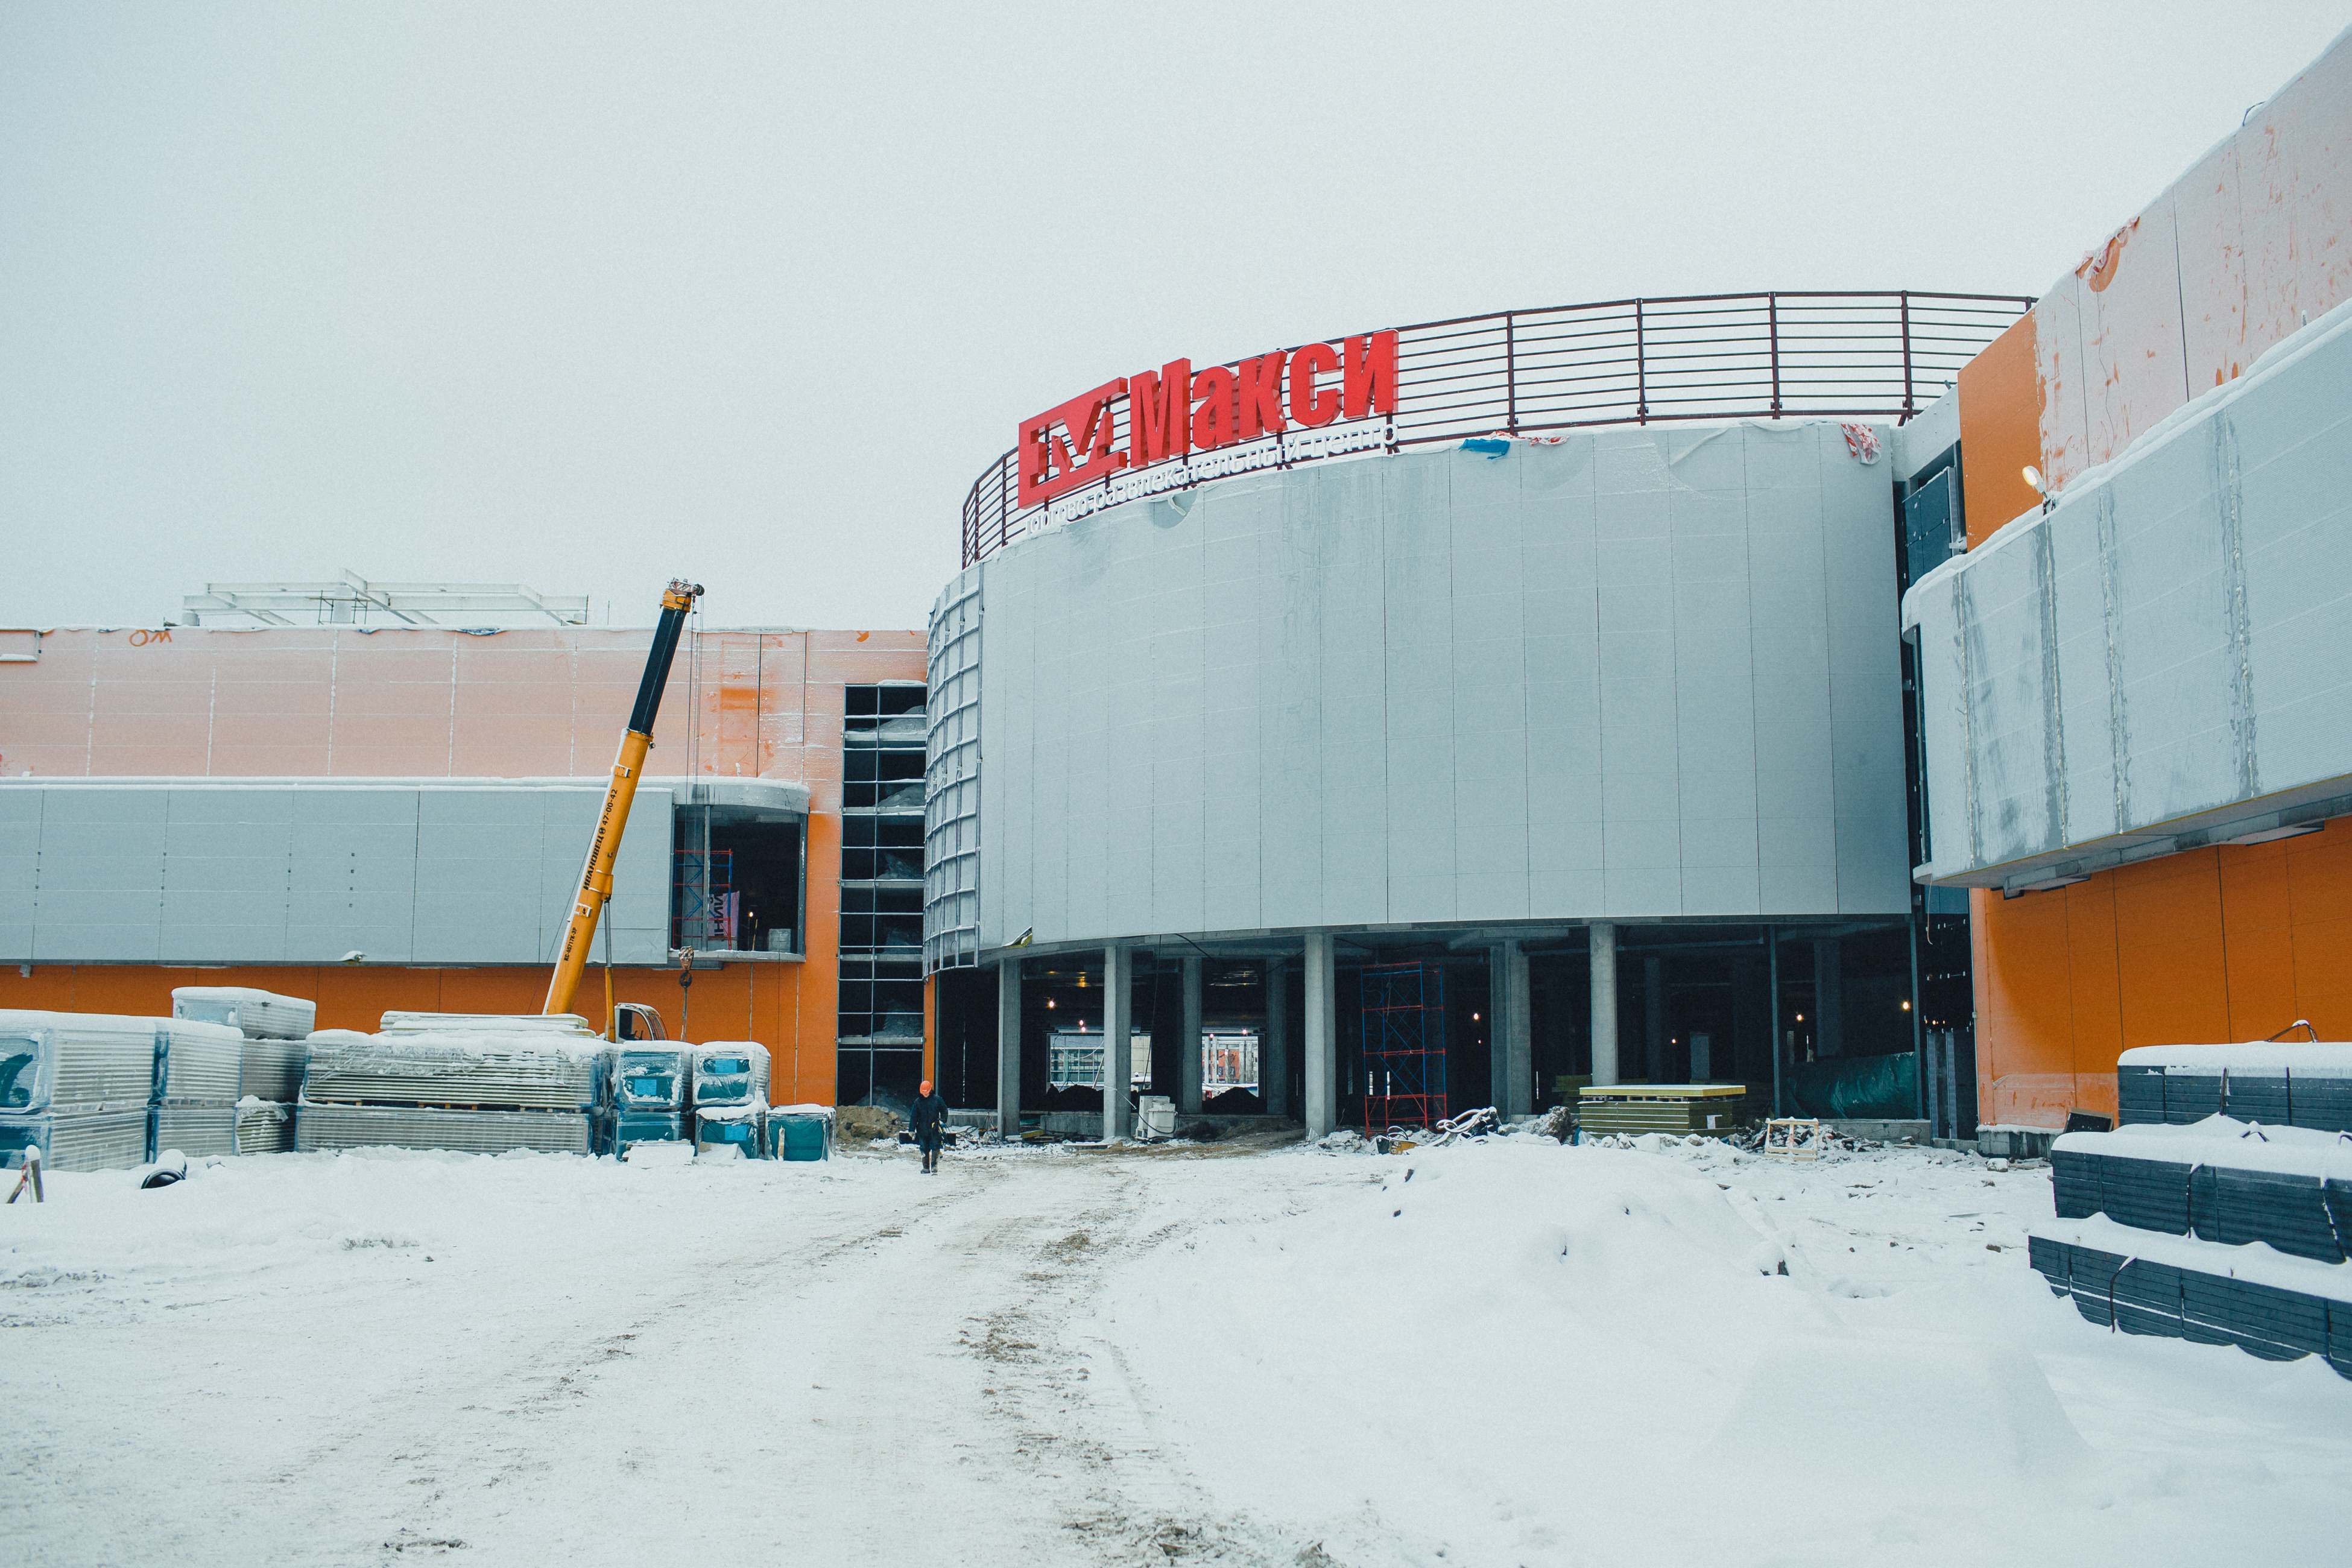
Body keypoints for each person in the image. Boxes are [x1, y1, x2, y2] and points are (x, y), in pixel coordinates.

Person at [909, 1079, 948, 1174]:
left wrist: (943, 1120)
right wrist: (911, 1129)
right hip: (922, 1129)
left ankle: (934, 1165)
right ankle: (926, 1167)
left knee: (936, 1146)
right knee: (924, 1147)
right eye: (924, 1093)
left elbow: (944, 1110)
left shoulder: (937, 1100)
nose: (925, 1094)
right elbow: (914, 1116)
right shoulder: (917, 1102)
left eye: (927, 1092)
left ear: (930, 1090)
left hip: (935, 1129)